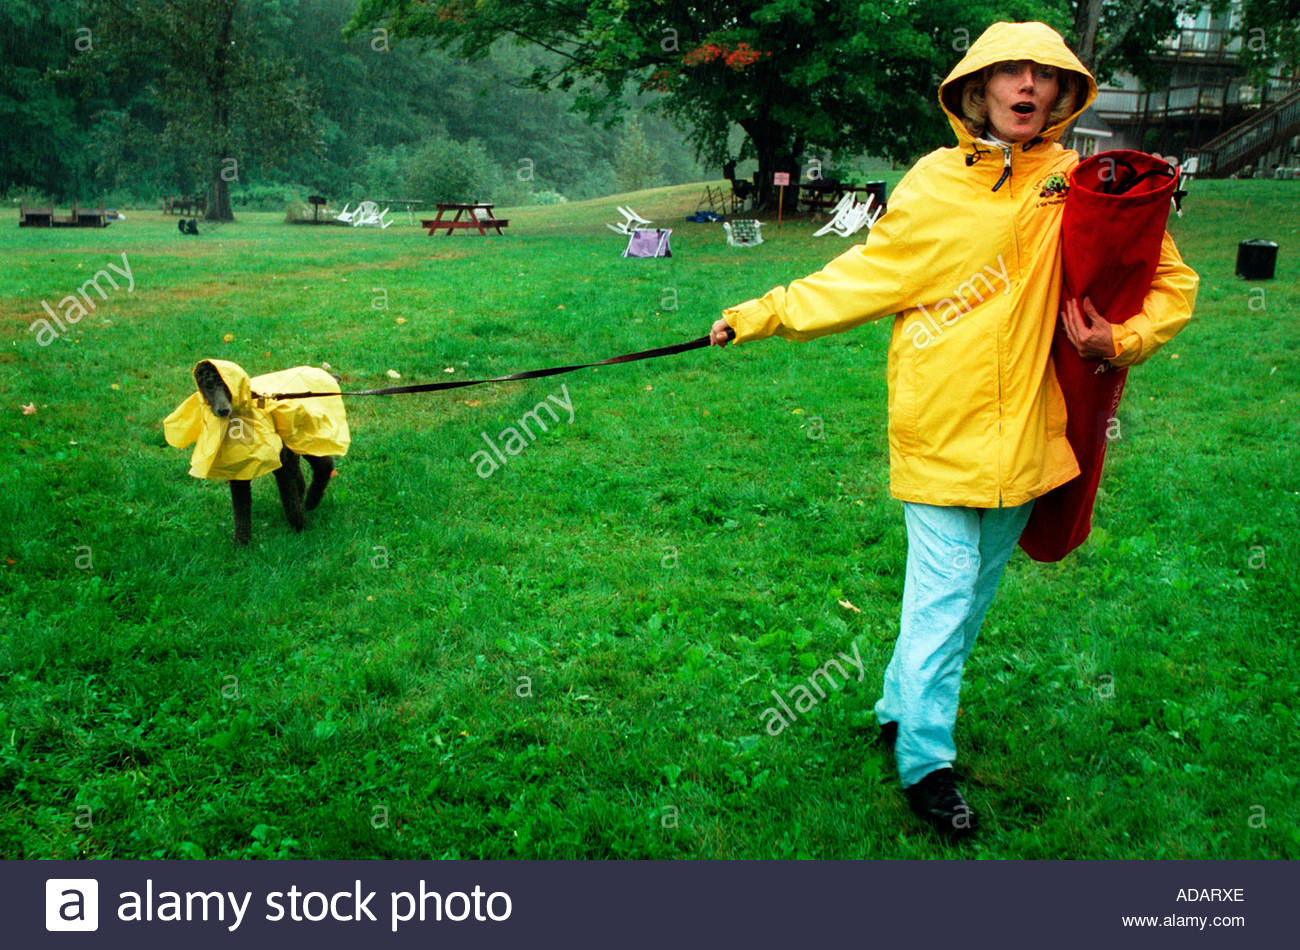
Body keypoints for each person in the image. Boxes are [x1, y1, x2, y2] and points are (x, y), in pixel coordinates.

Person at [709, 21, 1197, 839]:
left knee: (964, 604)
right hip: (939, 425)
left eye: (1044, 77)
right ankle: (927, 765)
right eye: (1011, 74)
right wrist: (755, 315)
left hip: (1032, 433)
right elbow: (862, 277)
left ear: (1063, 95)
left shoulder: (1082, 185)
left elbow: (1169, 278)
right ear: (978, 89)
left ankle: (900, 708)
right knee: (941, 600)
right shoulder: (933, 185)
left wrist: (1122, 340)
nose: (1027, 89)